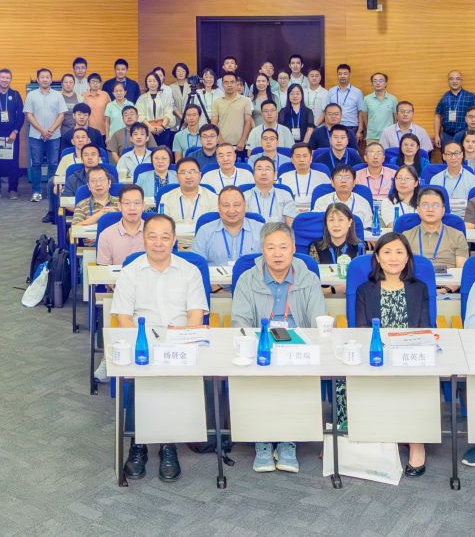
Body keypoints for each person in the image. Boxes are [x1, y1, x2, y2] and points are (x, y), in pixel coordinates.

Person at [110, 214, 207, 481]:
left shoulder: (190, 271)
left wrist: (179, 342)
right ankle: (138, 444)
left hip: (180, 342)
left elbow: (196, 317)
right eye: (152, 237)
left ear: (174, 240)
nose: (158, 243)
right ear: (143, 239)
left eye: (165, 237)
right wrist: (144, 345)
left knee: (171, 378)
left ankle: (168, 444)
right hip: (142, 342)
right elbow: (123, 318)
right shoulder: (130, 272)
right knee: (141, 375)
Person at [227, 220, 321, 473]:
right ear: (262, 250)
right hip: (261, 345)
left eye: (283, 247)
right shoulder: (247, 279)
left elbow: (316, 322)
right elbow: (240, 323)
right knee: (261, 379)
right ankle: (263, 439)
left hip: (297, 347)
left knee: (294, 380)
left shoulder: (308, 278)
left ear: (293, 248)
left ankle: (288, 440)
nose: (277, 253)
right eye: (271, 248)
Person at [352, 232, 433, 473]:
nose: (394, 258)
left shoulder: (419, 289)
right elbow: (362, 331)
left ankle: (416, 442)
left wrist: (404, 354)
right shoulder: (364, 290)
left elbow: (424, 328)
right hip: (377, 356)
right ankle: (377, 433)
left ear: (408, 258)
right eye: (387, 252)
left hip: (410, 357)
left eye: (399, 252)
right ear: (377, 257)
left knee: (418, 380)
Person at [191, 187, 256, 271]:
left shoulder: (261, 231)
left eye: (236, 205)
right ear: (218, 207)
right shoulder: (204, 232)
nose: (231, 211)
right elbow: (195, 267)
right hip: (214, 279)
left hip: (251, 279)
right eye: (226, 205)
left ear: (244, 205)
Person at [402, 187, 468, 270]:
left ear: (443, 210)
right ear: (418, 209)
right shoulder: (406, 236)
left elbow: (460, 271)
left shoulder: (457, 236)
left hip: (448, 277)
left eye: (436, 205)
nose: (430, 209)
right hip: (416, 277)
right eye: (425, 205)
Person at [0, 67, 26, 201]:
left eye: (7, 78)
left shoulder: (15, 95)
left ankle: (13, 189)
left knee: (13, 163)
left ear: (10, 80)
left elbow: (21, 115)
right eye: (2, 78)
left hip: (12, 135)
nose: (5, 80)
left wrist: (15, 131)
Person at [95, 185, 148, 264]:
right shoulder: (106, 235)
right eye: (127, 203)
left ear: (143, 206)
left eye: (137, 203)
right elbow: (104, 269)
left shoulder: (154, 234)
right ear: (119, 206)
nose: (132, 208)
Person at [157, 158, 216, 223]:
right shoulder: (166, 198)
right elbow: (163, 224)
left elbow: (214, 225)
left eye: (193, 172)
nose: (188, 176)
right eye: (183, 172)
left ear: (200, 175)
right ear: (177, 177)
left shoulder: (212, 198)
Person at [426, 142, 475, 213]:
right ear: (444, 157)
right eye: (449, 154)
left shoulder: (473, 180)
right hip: (440, 217)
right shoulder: (435, 179)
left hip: (464, 217)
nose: (453, 157)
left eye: (456, 153)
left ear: (462, 155)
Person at [433, 70, 475, 141]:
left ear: (461, 81)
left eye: (458, 79)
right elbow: (437, 116)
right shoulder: (444, 97)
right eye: (451, 79)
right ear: (448, 81)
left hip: (465, 135)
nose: (454, 81)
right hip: (447, 135)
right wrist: (437, 135)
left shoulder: (470, 97)